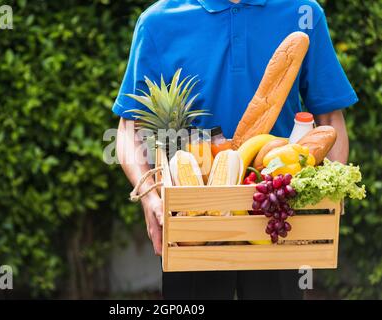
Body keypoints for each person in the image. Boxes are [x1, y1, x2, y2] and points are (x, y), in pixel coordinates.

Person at [113, 0, 357, 299]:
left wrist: (329, 192)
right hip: (193, 217)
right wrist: (150, 198)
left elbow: (330, 117)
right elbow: (129, 128)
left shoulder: (303, 13)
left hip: (276, 210)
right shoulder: (158, 21)